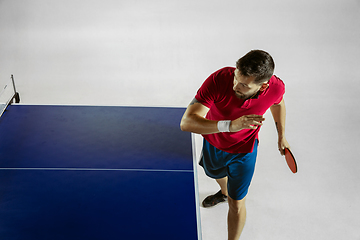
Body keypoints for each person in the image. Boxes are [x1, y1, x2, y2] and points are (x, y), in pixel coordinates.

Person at [180, 50, 290, 240]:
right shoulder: (219, 79)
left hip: (244, 151)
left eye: (244, 85)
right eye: (236, 78)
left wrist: (281, 136)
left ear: (263, 86)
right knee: (213, 173)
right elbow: (186, 123)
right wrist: (230, 126)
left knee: (237, 203)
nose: (235, 86)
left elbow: (278, 104)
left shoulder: (276, 88)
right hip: (213, 143)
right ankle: (223, 192)